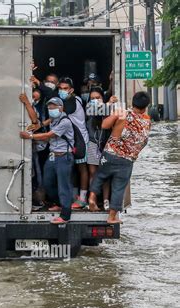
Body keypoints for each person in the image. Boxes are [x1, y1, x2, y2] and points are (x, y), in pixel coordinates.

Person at [89, 92, 152, 224]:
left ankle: (92, 198)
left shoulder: (122, 113)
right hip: (127, 160)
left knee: (100, 176)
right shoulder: (147, 120)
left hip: (110, 154)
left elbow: (104, 125)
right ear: (146, 106)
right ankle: (112, 217)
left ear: (133, 102)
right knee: (118, 187)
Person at [20, 97, 74, 224]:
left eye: (54, 107)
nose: (51, 109)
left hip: (64, 157)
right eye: (49, 107)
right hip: (52, 156)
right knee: (47, 183)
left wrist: (30, 136)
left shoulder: (65, 122)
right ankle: (59, 203)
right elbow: (42, 124)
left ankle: (65, 215)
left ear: (61, 108)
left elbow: (48, 135)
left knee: (63, 186)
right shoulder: (54, 119)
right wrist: (37, 124)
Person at [57, 77, 90, 210]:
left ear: (71, 90)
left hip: (80, 140)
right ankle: (74, 197)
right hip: (72, 141)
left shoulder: (72, 101)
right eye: (60, 88)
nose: (62, 91)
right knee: (73, 170)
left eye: (65, 89)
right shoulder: (66, 100)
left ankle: (82, 199)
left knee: (82, 168)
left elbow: (57, 113)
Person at [85, 86, 118, 210]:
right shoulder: (89, 108)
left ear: (102, 97)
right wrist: (108, 102)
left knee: (105, 173)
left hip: (106, 145)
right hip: (92, 144)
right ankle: (91, 200)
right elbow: (97, 110)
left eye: (97, 97)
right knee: (93, 173)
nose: (95, 100)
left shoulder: (110, 108)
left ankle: (105, 201)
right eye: (92, 98)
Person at [20, 92, 48, 208]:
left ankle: (36, 201)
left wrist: (26, 102)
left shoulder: (34, 107)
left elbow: (35, 120)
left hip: (31, 147)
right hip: (28, 146)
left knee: (34, 175)